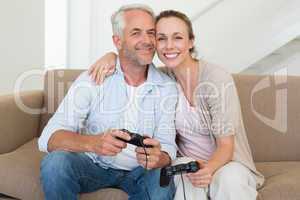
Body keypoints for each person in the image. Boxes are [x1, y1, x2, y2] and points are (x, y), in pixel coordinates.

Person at [88, 9, 265, 200]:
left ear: (190, 41)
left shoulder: (216, 79)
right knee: (181, 174)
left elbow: (226, 145)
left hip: (226, 163)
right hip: (188, 162)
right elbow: (130, 60)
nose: (169, 46)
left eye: (178, 37)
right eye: (162, 38)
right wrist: (111, 56)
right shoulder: (162, 79)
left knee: (230, 180)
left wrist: (208, 169)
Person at [38, 4, 179, 200]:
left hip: (141, 172)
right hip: (94, 165)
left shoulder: (168, 87)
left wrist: (159, 157)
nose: (147, 40)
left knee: (163, 184)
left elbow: (168, 146)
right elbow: (48, 138)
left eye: (151, 33)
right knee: (55, 164)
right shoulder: (95, 77)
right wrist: (94, 143)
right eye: (136, 33)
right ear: (118, 41)